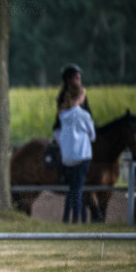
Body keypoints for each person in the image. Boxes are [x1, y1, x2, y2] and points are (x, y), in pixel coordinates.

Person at [54, 89, 96, 223]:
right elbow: (93, 136)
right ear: (80, 97)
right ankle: (76, 218)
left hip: (67, 157)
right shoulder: (84, 115)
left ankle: (67, 217)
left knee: (72, 188)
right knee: (78, 189)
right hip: (82, 156)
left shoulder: (62, 115)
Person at [52, 64, 91, 132]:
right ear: (68, 79)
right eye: (77, 78)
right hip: (63, 129)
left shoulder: (82, 94)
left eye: (79, 78)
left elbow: (88, 112)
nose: (79, 80)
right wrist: (81, 97)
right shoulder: (63, 95)